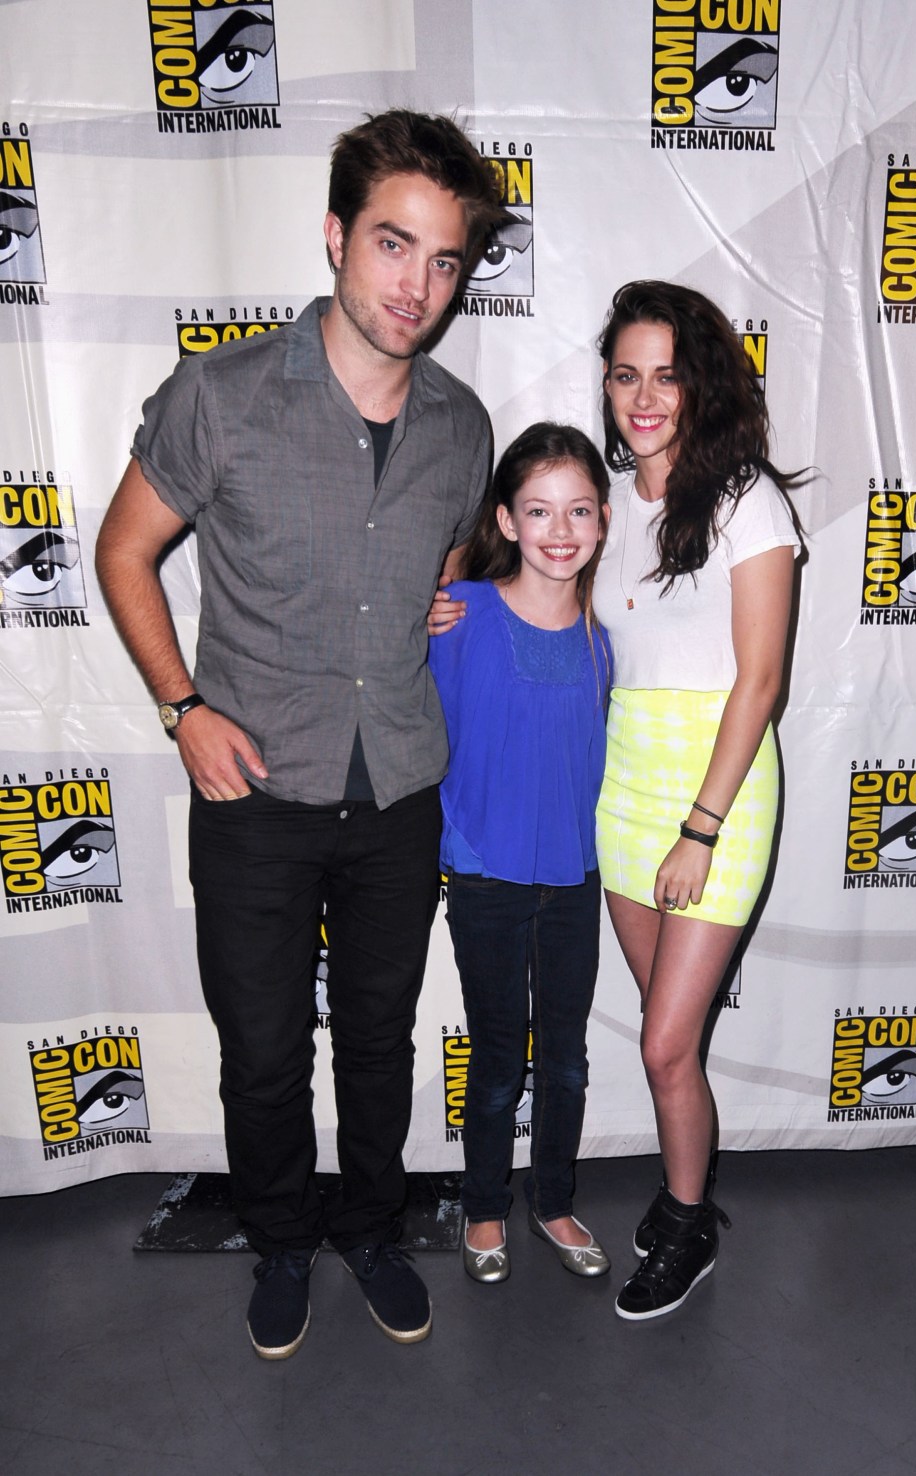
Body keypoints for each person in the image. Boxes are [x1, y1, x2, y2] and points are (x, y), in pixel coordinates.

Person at [95, 109, 506, 1359]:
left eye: (443, 260)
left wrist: (427, 598)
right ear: (335, 237)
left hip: (399, 793)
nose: (417, 286)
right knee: (264, 1052)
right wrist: (184, 711)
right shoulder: (221, 397)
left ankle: (371, 1231)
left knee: (379, 1043)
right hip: (255, 794)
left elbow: (438, 563)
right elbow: (122, 552)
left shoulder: (462, 425)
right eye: (392, 244)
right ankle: (280, 1242)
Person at [592, 280, 801, 1321]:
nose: (643, 398)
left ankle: (686, 1223)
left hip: (716, 796)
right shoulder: (603, 501)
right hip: (624, 784)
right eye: (625, 375)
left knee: (665, 1045)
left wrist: (701, 829)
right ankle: (688, 1193)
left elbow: (759, 684)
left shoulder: (744, 500)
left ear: (699, 386)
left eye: (665, 377)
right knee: (663, 1034)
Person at [428, 423, 613, 1284]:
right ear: (505, 519)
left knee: (566, 1059)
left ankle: (555, 1200)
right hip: (485, 878)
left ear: (603, 520)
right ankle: (484, 1208)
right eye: (538, 510)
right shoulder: (459, 617)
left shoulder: (605, 636)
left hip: (574, 880)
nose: (560, 530)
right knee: (499, 1058)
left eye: (579, 510)